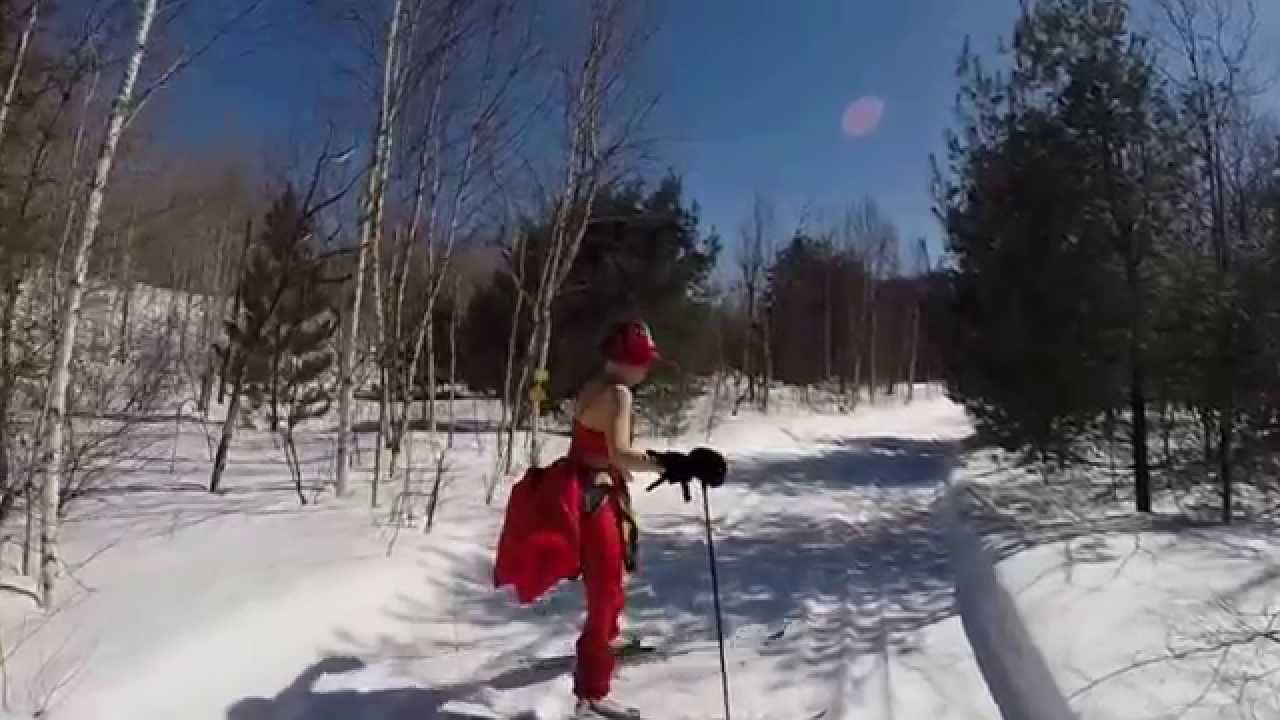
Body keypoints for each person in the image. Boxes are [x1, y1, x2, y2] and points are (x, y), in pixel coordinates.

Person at [493, 320, 671, 720]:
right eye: (643, 363)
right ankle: (592, 691)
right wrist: (671, 462)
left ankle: (605, 640)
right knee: (605, 587)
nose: (646, 370)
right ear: (626, 363)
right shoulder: (619, 394)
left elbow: (599, 448)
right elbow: (622, 454)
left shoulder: (594, 385)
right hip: (595, 497)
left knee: (610, 580)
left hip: (582, 488)